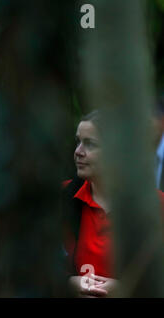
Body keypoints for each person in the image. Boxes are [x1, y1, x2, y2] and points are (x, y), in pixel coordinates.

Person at [62, 110, 164, 297]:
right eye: (78, 141)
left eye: (90, 144)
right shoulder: (62, 197)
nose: (78, 152)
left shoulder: (155, 205)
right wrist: (70, 283)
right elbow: (32, 267)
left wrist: (127, 289)